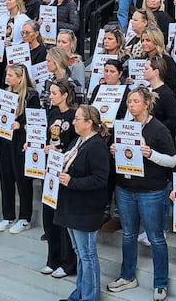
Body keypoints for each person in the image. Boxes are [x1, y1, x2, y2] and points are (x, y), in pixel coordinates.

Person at [106, 87, 176, 300]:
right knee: (128, 234)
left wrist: (151, 154)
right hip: (125, 188)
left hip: (152, 190)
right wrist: (114, 151)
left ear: (146, 104)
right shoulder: (124, 127)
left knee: (156, 237)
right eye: (129, 101)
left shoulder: (158, 129)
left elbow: (172, 160)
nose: (131, 105)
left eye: (136, 101)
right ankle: (127, 276)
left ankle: (160, 282)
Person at [55, 105, 111, 301]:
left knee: (87, 255)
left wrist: (72, 182)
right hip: (72, 205)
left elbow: (100, 179)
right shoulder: (78, 140)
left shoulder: (96, 146)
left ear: (89, 123)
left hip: (86, 209)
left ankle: (90, 297)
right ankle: (78, 293)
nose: (73, 122)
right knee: (79, 253)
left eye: (77, 119)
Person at [0, 64, 39, 235]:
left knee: (22, 180)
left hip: (21, 142)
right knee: (6, 178)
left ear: (20, 78)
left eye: (10, 75)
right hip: (4, 139)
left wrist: (21, 124)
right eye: (7, 74)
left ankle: (25, 217)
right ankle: (8, 215)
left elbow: (35, 119)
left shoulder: (31, 96)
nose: (7, 77)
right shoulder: (5, 93)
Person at [41, 80, 79, 278]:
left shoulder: (74, 115)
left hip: (64, 170)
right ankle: (52, 258)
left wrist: (60, 150)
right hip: (49, 169)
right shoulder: (52, 113)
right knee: (48, 216)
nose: (50, 96)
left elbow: (75, 145)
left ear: (64, 95)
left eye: (54, 93)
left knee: (62, 218)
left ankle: (68, 262)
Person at [142, 55, 176, 137]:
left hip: (161, 138)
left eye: (146, 69)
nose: (143, 71)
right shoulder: (145, 90)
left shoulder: (167, 94)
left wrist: (156, 127)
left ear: (156, 72)